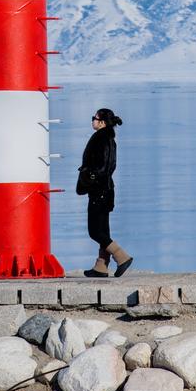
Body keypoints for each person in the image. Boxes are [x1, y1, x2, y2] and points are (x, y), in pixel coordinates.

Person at [78, 107, 132, 277]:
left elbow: (101, 167)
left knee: (94, 231)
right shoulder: (109, 138)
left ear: (101, 122)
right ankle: (101, 266)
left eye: (94, 118)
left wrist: (89, 176)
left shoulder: (100, 139)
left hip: (99, 190)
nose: (92, 120)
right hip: (107, 189)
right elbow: (110, 166)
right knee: (103, 230)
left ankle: (121, 256)